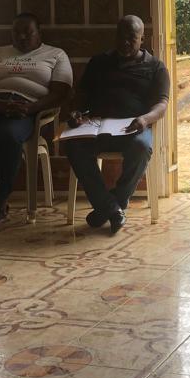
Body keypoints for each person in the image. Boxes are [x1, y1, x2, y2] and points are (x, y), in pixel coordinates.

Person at [0, 13, 72, 228]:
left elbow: (60, 92)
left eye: (28, 33)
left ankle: (1, 204)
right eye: (16, 33)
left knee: (8, 136)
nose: (22, 37)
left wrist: (31, 108)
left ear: (39, 33)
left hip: (26, 107)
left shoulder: (55, 54)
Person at [63, 15, 169, 234]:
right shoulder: (99, 63)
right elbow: (82, 95)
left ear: (142, 39)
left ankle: (109, 206)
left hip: (132, 127)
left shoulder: (155, 67)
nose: (125, 42)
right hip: (97, 127)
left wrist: (145, 119)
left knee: (141, 147)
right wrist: (76, 112)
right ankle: (112, 207)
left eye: (132, 38)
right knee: (73, 145)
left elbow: (162, 104)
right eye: (121, 37)